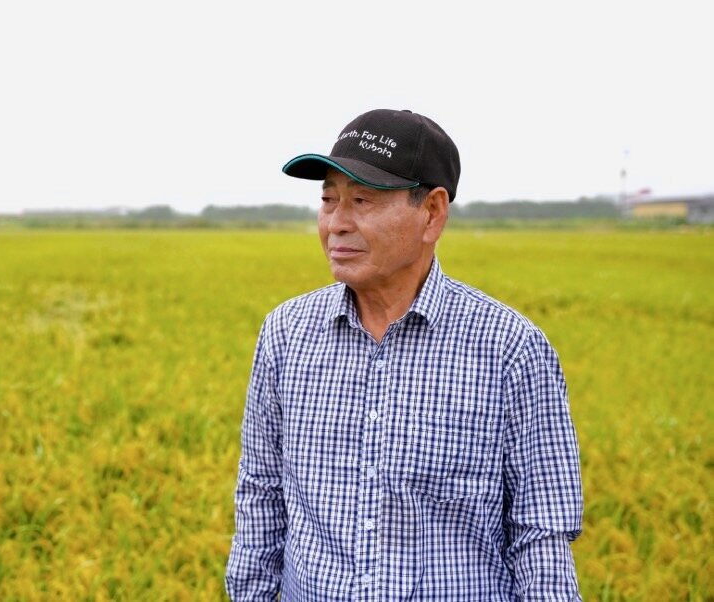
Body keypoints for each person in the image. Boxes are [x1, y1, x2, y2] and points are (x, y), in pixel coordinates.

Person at [225, 109, 583, 601]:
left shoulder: (510, 350)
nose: (337, 224)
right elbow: (262, 498)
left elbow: (540, 533)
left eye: (363, 201)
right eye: (328, 200)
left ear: (432, 213)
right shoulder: (287, 334)